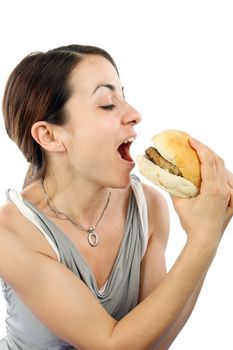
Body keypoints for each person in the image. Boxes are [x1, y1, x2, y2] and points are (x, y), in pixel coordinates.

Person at [0, 44, 232, 350]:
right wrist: (203, 241)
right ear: (50, 136)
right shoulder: (10, 234)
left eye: (123, 96)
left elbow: (154, 342)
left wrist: (211, 232)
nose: (135, 114)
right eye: (108, 104)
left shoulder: (148, 204)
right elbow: (111, 345)